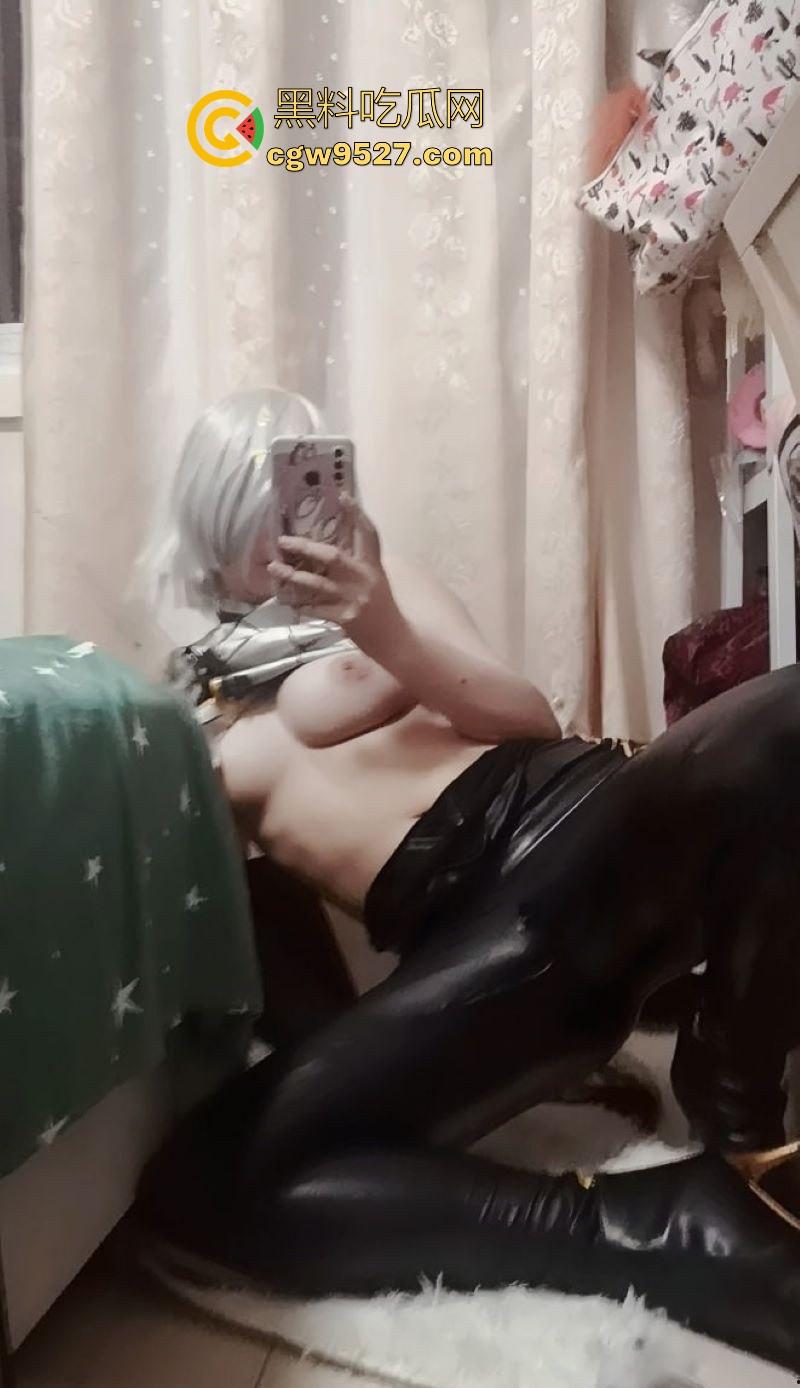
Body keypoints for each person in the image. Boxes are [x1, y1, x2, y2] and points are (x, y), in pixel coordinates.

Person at [141, 388, 800, 1372]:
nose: (290, 528)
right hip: (494, 961)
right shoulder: (189, 719)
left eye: (307, 492)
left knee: (780, 719)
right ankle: (659, 1224)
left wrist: (380, 625)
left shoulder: (385, 586)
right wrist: (343, 1059)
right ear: (214, 523)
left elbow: (524, 715)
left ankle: (738, 1111)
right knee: (201, 1182)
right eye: (265, 505)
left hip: (584, 834)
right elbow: (246, 912)